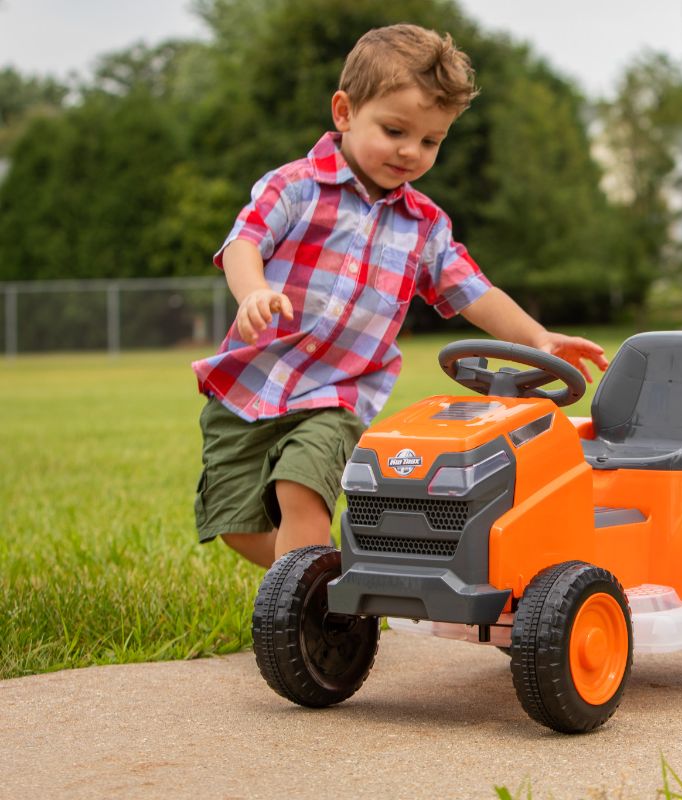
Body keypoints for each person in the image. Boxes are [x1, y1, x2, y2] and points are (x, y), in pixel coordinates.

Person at [191, 24, 607, 569]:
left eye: (431, 140)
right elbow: (245, 241)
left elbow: (472, 291)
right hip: (249, 386)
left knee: (301, 490)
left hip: (335, 396)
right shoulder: (293, 187)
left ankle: (309, 623)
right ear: (344, 113)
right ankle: (329, 579)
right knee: (237, 527)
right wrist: (254, 293)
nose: (411, 151)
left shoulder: (424, 225)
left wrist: (536, 336)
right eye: (394, 130)